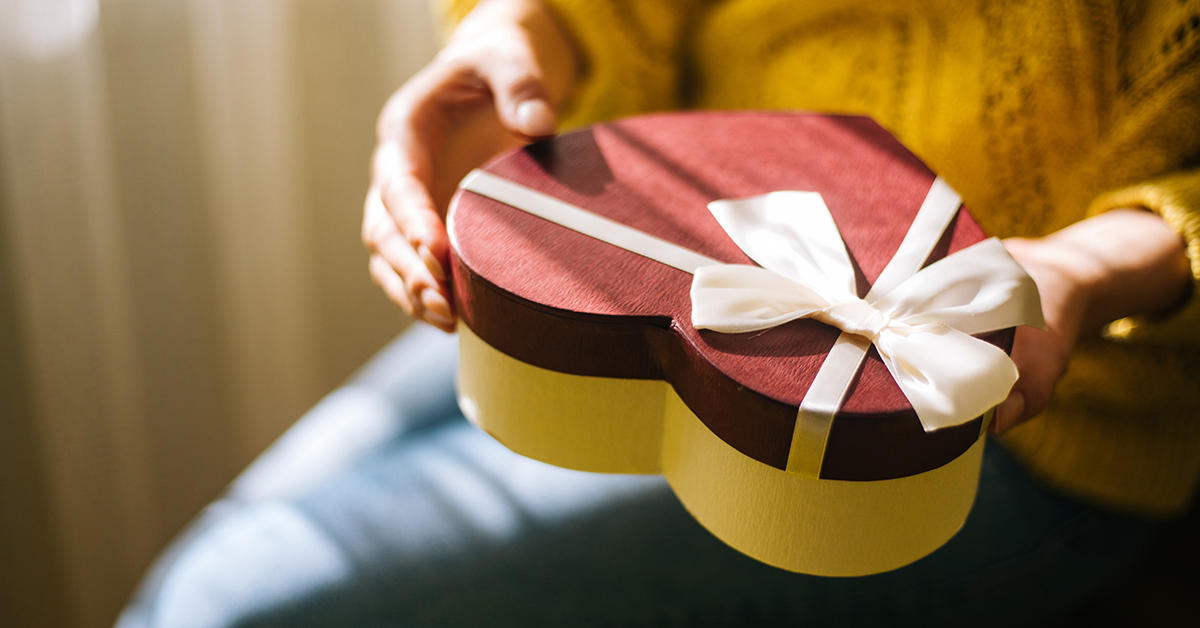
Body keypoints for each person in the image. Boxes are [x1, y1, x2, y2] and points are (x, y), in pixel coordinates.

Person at [120, 1, 1200, 626]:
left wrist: (1087, 269)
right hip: (659, 242)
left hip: (989, 420)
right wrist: (524, 32)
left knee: (224, 599)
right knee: (230, 547)